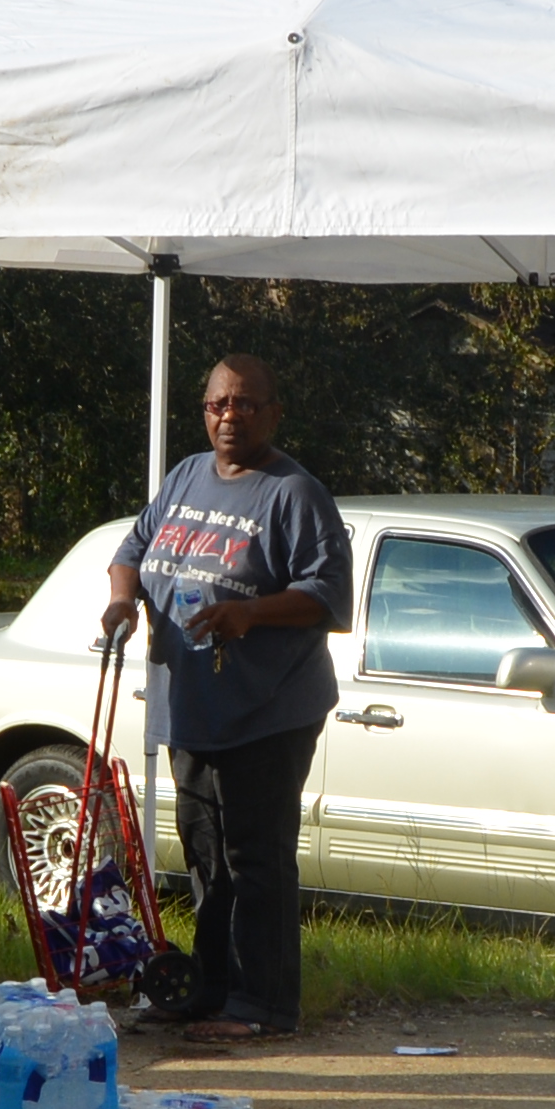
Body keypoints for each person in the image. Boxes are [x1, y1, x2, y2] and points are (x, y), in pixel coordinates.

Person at [102, 356, 345, 1050]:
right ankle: (209, 990)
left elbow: (327, 597)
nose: (228, 417)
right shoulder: (185, 475)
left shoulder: (295, 493)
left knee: (256, 859)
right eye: (216, 405)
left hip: (267, 709)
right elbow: (133, 548)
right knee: (207, 854)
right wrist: (123, 599)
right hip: (191, 702)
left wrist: (251, 614)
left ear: (273, 412)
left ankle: (265, 1002)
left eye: (244, 405)